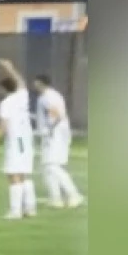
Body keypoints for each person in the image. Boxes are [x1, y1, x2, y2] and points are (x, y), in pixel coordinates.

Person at [0, 59, 38, 220]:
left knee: (13, 174)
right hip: (26, 139)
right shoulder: (22, 96)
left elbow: (3, 125)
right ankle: (30, 207)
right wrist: (10, 68)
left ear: (3, 89)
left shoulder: (6, 103)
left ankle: (15, 210)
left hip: (16, 140)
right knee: (24, 174)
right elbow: (21, 82)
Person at [33, 74, 85, 209]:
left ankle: (74, 194)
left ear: (40, 83)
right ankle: (55, 198)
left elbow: (57, 115)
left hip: (55, 135)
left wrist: (49, 129)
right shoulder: (47, 96)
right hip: (53, 134)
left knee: (52, 166)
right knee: (47, 167)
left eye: (36, 82)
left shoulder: (48, 97)